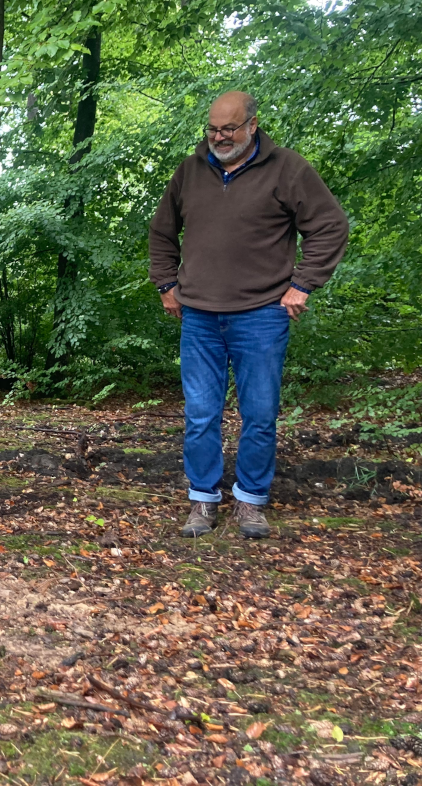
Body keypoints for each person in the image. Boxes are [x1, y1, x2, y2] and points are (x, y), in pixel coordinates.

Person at [149, 91, 348, 540]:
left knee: (259, 413)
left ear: (252, 125)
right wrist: (166, 284)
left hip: (261, 315)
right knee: (201, 413)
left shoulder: (288, 169)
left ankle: (251, 502)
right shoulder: (190, 171)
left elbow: (330, 225)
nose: (220, 137)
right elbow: (162, 232)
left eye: (229, 128)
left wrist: (303, 284)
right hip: (198, 315)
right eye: (213, 129)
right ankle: (203, 500)